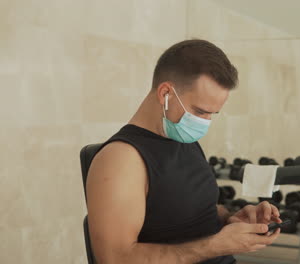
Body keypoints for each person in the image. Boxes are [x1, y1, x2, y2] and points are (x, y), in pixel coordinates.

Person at [86, 40, 282, 264]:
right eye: (199, 111)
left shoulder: (182, 138)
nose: (204, 122)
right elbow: (115, 259)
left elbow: (184, 208)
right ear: (165, 93)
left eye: (212, 114)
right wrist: (214, 245)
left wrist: (231, 219)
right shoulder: (121, 159)